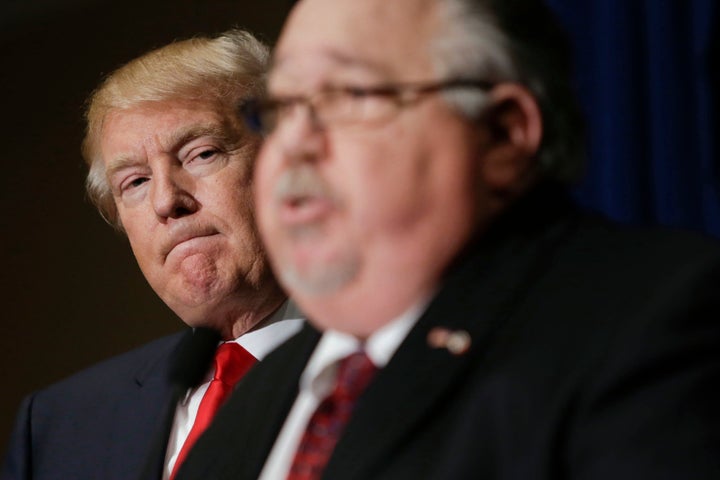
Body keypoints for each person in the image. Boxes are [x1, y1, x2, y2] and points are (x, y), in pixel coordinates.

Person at [175, 0, 720, 479]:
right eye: (278, 111)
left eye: (347, 95)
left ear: (503, 132)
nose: (293, 145)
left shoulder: (657, 316)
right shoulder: (249, 403)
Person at [1, 29, 304, 480]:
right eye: (135, 182)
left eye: (201, 154)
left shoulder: (396, 351)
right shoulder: (58, 423)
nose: (166, 201)